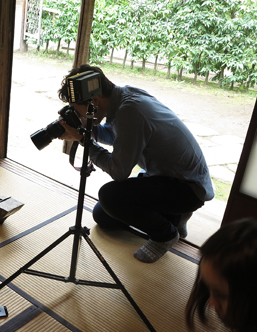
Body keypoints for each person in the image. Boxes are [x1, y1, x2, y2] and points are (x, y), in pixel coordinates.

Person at [58, 65, 214, 263]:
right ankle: (175, 217)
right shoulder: (125, 96)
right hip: (168, 177)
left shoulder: (130, 112)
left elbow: (119, 171)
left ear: (94, 101)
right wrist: (83, 128)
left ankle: (165, 235)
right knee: (103, 215)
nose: (76, 113)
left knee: (110, 196)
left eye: (76, 109)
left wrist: (83, 140)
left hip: (186, 188)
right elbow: (114, 135)